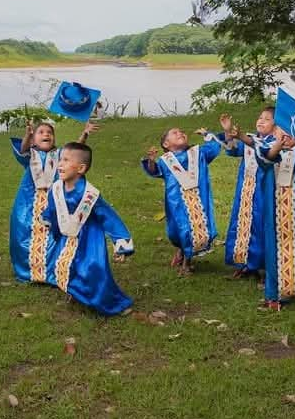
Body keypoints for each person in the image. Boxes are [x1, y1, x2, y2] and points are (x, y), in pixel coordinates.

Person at [41, 142, 135, 316]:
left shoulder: (90, 195)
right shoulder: (56, 188)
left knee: (92, 271)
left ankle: (112, 302)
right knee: (65, 264)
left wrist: (121, 243)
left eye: (66, 160)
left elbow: (108, 217)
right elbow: (52, 207)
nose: (60, 164)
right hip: (66, 237)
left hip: (88, 239)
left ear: (81, 168)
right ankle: (76, 294)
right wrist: (47, 219)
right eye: (60, 159)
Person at [8, 119, 96, 284]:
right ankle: (28, 272)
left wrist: (85, 133)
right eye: (41, 132)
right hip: (28, 202)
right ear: (34, 139)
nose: (46, 134)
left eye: (50, 132)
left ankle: (51, 272)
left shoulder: (59, 155)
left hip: (54, 200)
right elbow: (22, 149)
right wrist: (27, 135)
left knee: (54, 234)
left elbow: (75, 152)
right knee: (25, 233)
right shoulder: (30, 155)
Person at [255, 124, 295, 310]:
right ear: (273, 134)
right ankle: (274, 293)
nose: (285, 135)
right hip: (273, 206)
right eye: (280, 131)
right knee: (274, 246)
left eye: (290, 133)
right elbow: (267, 158)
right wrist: (278, 144)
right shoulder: (264, 149)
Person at [141, 126, 221, 275]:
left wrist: (206, 134)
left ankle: (186, 264)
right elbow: (155, 171)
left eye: (182, 132)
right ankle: (182, 252)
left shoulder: (198, 153)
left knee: (196, 230)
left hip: (199, 199)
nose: (180, 133)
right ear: (166, 144)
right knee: (179, 230)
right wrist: (151, 161)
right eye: (175, 133)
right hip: (177, 203)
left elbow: (214, 147)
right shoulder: (166, 161)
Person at [216, 109, 277, 278]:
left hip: (264, 190)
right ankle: (245, 263)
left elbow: (265, 152)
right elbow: (232, 149)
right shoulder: (251, 138)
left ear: (276, 125)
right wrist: (228, 132)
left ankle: (266, 268)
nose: (261, 121)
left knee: (261, 225)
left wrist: (243, 137)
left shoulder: (276, 143)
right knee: (243, 224)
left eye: (267, 119)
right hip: (245, 190)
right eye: (260, 117)